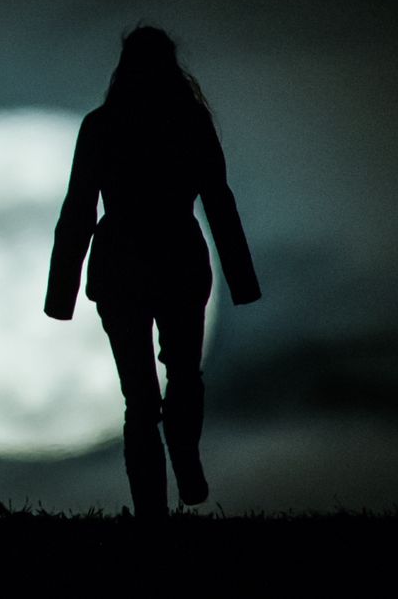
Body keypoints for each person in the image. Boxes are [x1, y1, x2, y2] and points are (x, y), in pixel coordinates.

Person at [43, 25, 262, 518]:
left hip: (126, 263)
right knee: (179, 376)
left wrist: (62, 294)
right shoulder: (188, 122)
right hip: (173, 259)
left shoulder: (104, 126)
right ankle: (174, 472)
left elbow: (78, 210)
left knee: (142, 397)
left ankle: (157, 503)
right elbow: (218, 203)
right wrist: (242, 282)